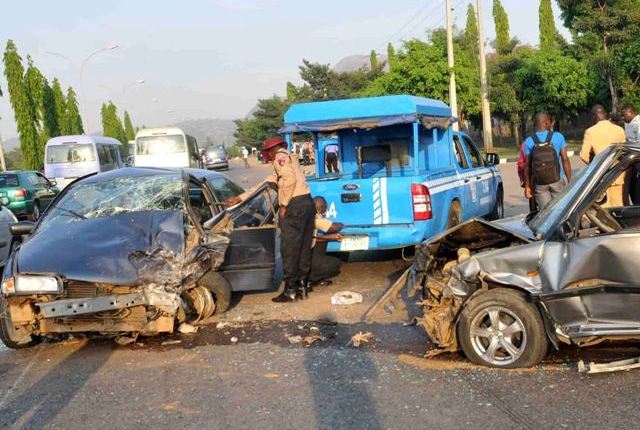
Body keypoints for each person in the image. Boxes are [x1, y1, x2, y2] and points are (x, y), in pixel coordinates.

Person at [225, 137, 315, 303]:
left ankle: (289, 291)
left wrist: (285, 204)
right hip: (307, 203)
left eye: (268, 152)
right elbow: (265, 183)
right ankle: (302, 285)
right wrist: (240, 197)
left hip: (294, 206)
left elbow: (289, 180)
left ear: (272, 150)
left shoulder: (280, 157)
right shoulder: (290, 158)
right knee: (303, 247)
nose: (269, 156)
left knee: (289, 249)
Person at [580, 105, 627, 207]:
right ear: (605, 114)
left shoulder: (590, 132)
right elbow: (624, 152)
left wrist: (595, 164)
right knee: (618, 206)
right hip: (617, 173)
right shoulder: (619, 130)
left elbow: (584, 156)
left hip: (600, 175)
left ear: (593, 116)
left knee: (603, 207)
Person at [523, 112, 572, 210]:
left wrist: (527, 186)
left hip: (540, 184)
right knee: (561, 211)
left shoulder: (529, 141)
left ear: (536, 124)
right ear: (546, 123)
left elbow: (527, 166)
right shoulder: (558, 137)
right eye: (549, 122)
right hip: (557, 180)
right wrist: (570, 180)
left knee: (546, 214)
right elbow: (565, 159)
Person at [309, 197, 343, 287]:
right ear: (321, 208)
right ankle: (313, 278)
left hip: (298, 260)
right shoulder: (315, 218)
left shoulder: (304, 216)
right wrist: (342, 225)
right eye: (324, 208)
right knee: (336, 264)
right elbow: (334, 227)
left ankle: (311, 278)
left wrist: (329, 237)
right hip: (307, 261)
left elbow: (313, 238)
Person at [622, 104, 640, 204]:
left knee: (637, 188)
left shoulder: (638, 123)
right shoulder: (628, 123)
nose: (623, 118)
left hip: (637, 159)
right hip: (631, 160)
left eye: (624, 115)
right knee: (631, 187)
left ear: (630, 112)